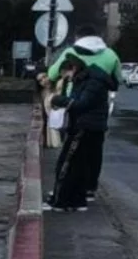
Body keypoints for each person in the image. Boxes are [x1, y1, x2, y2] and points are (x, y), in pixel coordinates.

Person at [45, 29, 121, 199]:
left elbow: (52, 74)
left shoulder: (70, 53)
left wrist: (59, 98)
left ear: (78, 38)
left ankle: (67, 192)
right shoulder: (111, 54)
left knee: (71, 154)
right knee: (94, 152)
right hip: (99, 110)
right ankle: (89, 188)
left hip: (74, 107)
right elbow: (118, 80)